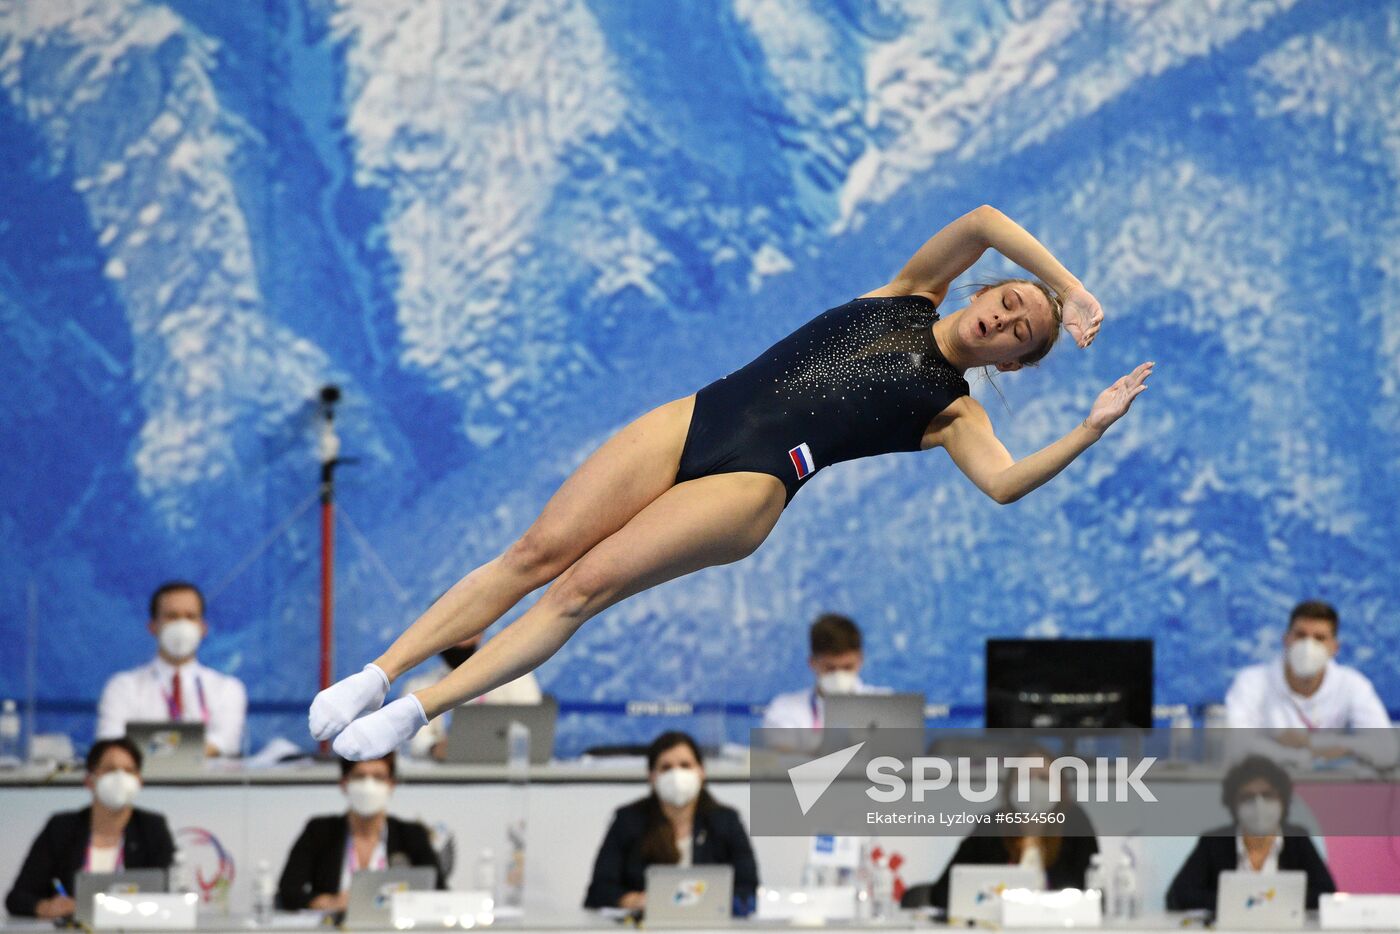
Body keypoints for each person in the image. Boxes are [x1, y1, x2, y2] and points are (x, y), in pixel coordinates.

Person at [311, 204, 1152, 760]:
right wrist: (1070, 290)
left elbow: (1003, 487)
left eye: (1022, 333)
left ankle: (419, 708)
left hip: (752, 485)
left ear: (1014, 360)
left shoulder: (956, 414)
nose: (1007, 319)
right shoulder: (906, 292)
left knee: (580, 587)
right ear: (987, 286)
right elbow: (983, 218)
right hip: (699, 416)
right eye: (1010, 300)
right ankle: (377, 672)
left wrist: (1087, 429)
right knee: (534, 552)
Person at [584, 732, 758, 914]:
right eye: (666, 767)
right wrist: (635, 900)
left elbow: (748, 888)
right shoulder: (628, 821)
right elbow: (599, 891)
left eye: (685, 765)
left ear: (701, 771)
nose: (677, 774)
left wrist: (713, 904)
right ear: (652, 776)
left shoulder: (725, 821)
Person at [901, 751, 1098, 911]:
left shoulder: (1075, 824)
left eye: (1044, 778)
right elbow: (943, 893)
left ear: (1060, 787)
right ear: (1011, 786)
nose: (1034, 785)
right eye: (1025, 777)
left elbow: (1093, 891)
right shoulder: (990, 825)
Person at [5, 738, 174, 919]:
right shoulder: (62, 828)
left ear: (139, 781)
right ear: (89, 780)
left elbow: (166, 897)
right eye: (110, 769)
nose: (120, 778)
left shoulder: (152, 827)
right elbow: (18, 898)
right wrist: (45, 907)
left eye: (129, 771)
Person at [1225, 600, 1395, 765]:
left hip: (1329, 788)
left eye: (1319, 638)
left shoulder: (1353, 685)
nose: (1308, 646)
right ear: (1286, 639)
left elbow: (1387, 750)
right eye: (1300, 635)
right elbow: (1237, 745)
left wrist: (1310, 743)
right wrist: (1303, 756)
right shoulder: (1251, 682)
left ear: (1334, 648)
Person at [275, 753, 443, 912]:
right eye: (360, 776)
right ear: (344, 783)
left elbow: (440, 892)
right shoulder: (320, 832)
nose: (368, 786)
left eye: (378, 777)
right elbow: (288, 892)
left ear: (391, 785)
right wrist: (331, 902)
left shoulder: (411, 835)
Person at [97, 581, 248, 757]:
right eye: (172, 616)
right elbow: (110, 742)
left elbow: (225, 742)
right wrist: (187, 751)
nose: (182, 625)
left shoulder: (227, 688)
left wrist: (152, 750)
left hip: (209, 783)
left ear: (203, 628)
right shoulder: (123, 687)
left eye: (190, 616)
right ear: (152, 626)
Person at [1166, 755, 1335, 911]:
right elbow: (1177, 896)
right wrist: (1237, 902)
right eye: (1247, 797)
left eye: (1267, 795)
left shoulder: (1297, 839)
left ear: (1283, 800)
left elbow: (1327, 894)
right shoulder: (1214, 841)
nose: (1259, 805)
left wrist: (1271, 902)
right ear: (1233, 804)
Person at [396, 632, 543, 759]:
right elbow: (410, 741)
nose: (458, 637)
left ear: (481, 632)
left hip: (503, 778)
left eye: (465, 627)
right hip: (441, 782)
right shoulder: (418, 687)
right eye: (448, 630)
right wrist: (434, 748)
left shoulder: (515, 677)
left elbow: (534, 731)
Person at [763, 613, 886, 730]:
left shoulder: (884, 705)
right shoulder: (784, 710)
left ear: (860, 660)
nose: (839, 676)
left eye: (847, 667)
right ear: (812, 663)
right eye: (830, 668)